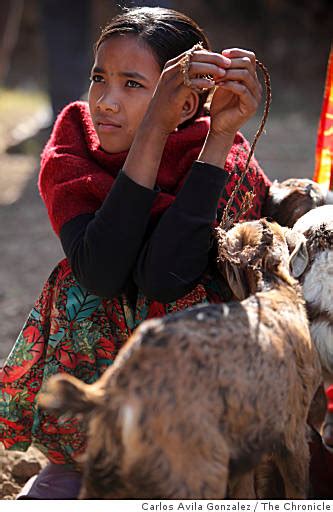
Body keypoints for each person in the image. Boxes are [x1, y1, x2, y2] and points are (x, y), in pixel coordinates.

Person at [0, 6, 271, 499]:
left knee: (187, 296)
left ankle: (177, 463)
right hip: (95, 382)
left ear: (185, 106)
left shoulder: (223, 159)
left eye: (132, 84)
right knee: (79, 282)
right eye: (98, 78)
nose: (104, 101)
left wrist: (220, 136)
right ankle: (79, 460)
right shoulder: (75, 144)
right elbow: (100, 271)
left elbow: (166, 277)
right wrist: (151, 131)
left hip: (195, 402)